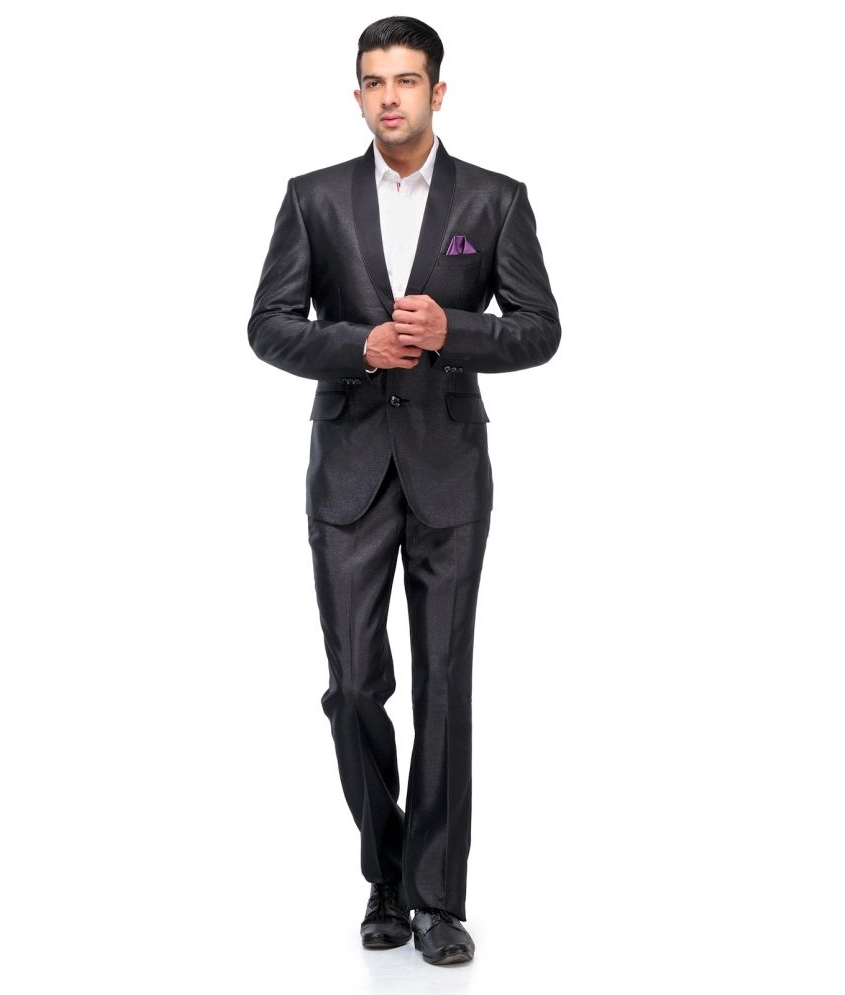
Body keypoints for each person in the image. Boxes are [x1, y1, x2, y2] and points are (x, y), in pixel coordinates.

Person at [247, 15, 561, 966]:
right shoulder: (313, 198)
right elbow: (268, 324)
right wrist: (359, 345)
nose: (391, 96)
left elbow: (540, 328)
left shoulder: (494, 199)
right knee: (352, 687)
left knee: (444, 684)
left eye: (408, 80)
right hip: (346, 471)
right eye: (375, 82)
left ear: (438, 92)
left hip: (450, 471)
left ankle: (433, 897)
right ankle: (383, 871)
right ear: (358, 96)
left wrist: (453, 332)